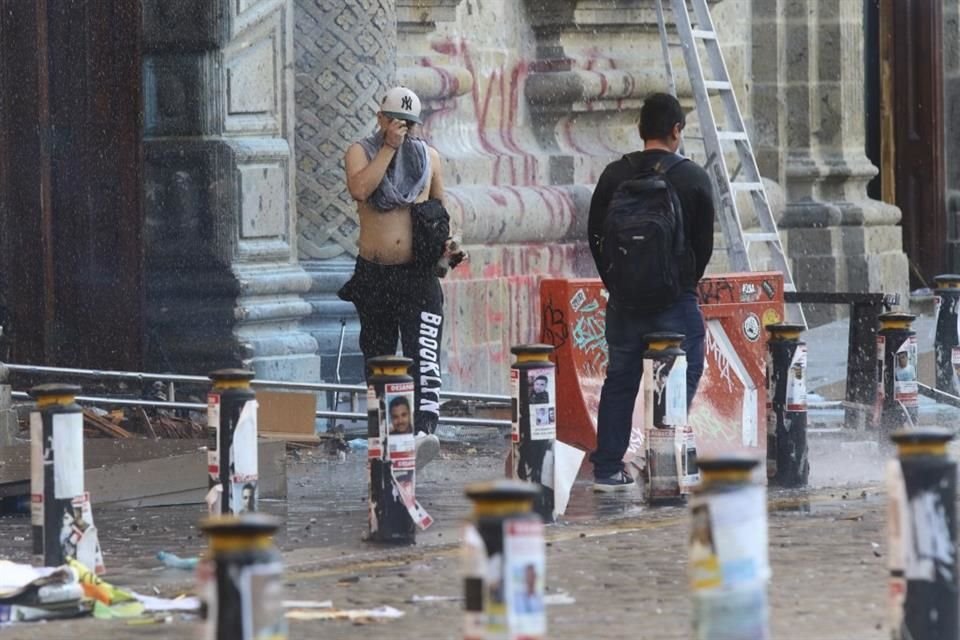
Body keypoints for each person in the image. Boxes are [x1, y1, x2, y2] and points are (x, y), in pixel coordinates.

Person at [587, 93, 715, 492]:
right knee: (684, 368)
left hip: (624, 301)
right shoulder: (693, 178)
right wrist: (681, 282)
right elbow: (703, 245)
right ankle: (661, 456)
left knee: (620, 380)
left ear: (640, 129)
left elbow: (595, 236)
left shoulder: (614, 175)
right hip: (675, 300)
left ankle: (608, 470)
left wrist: (617, 282)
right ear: (676, 130)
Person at [339, 87, 463, 470]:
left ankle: (423, 432)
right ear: (380, 119)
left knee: (422, 355)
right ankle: (386, 434)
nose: (400, 128)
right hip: (374, 274)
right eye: (394, 121)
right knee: (378, 355)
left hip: (417, 275)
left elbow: (439, 212)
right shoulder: (361, 151)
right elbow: (360, 188)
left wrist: (448, 247)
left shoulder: (428, 157)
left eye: (408, 123)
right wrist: (388, 148)